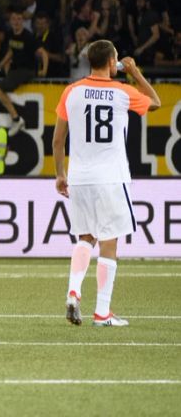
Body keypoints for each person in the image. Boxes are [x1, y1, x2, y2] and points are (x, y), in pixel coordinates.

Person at [53, 41, 161, 327]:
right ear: (113, 63)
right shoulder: (123, 92)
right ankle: (102, 312)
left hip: (79, 178)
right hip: (111, 177)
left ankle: (73, 291)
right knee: (109, 244)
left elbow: (57, 140)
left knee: (85, 238)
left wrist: (60, 174)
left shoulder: (71, 92)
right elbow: (156, 103)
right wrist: (136, 73)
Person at [0, 10, 48, 134]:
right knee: (4, 87)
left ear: (22, 21)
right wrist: (0, 65)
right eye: (14, 19)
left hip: (26, 70)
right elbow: (11, 51)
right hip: (16, 70)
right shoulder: (10, 34)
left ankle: (16, 118)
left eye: (19, 19)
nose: (16, 22)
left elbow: (43, 53)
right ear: (10, 21)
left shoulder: (28, 37)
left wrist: (43, 70)